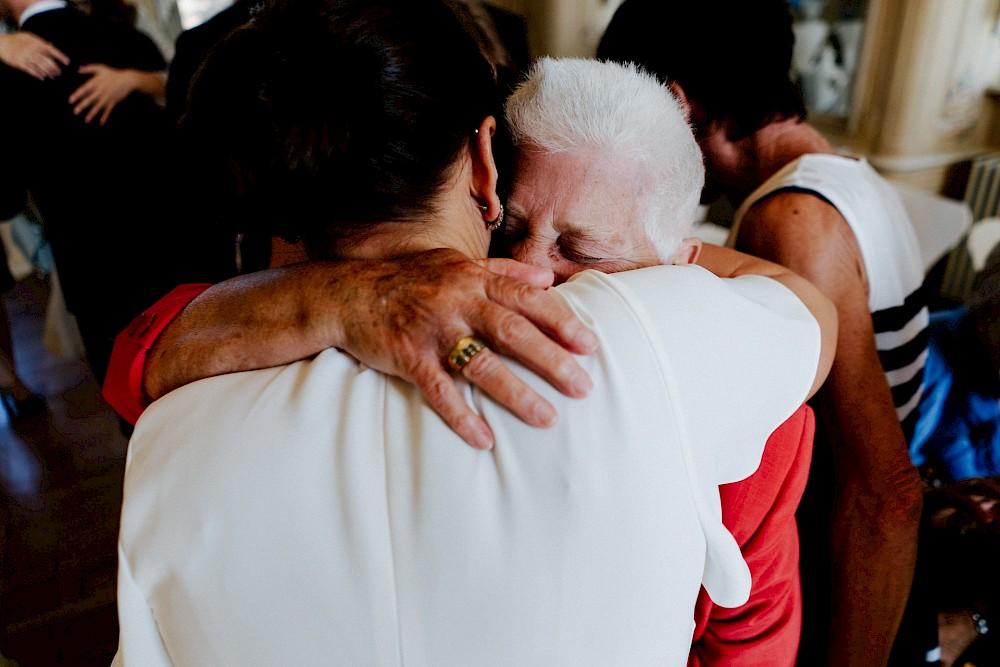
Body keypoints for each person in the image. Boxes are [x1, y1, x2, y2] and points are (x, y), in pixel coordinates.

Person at [112, 1, 835, 663]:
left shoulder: (172, 436)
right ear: (488, 166)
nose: (530, 274)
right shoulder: (664, 349)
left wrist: (329, 296)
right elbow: (807, 309)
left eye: (581, 251)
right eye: (518, 231)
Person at [596, 2, 929, 665]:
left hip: (837, 571)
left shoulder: (790, 221)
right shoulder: (847, 175)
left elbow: (883, 494)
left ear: (675, 104)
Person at [0, 0, 199, 387]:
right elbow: (184, 99)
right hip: (179, 237)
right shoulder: (120, 32)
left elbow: (4, 198)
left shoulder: (6, 75)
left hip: (94, 267)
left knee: (136, 395)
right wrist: (136, 80)